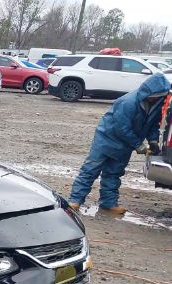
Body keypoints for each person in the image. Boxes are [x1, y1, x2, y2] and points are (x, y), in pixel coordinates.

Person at [68, 73, 171, 214]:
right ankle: (75, 200)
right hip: (107, 138)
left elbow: (152, 124)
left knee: (114, 173)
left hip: (126, 144)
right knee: (91, 169)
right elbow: (121, 128)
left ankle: (108, 203)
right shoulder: (127, 102)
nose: (160, 98)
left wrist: (153, 141)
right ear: (150, 92)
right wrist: (138, 144)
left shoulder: (156, 103)